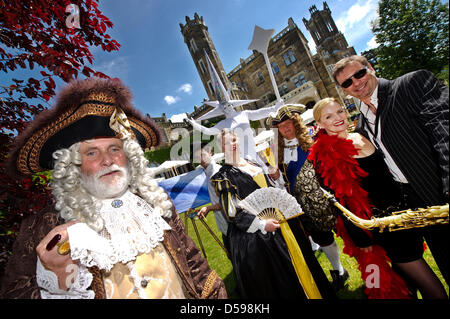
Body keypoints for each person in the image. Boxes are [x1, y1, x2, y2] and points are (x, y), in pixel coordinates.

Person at [1, 78, 227, 299]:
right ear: (71, 165)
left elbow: (198, 270)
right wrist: (58, 282)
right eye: (91, 152)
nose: (108, 160)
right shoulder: (43, 227)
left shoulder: (155, 204)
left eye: (114, 149)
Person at [309, 97, 447, 299]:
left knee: (408, 286)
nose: (337, 118)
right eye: (328, 116)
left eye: (339, 111)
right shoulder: (325, 154)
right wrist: (363, 241)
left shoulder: (363, 135)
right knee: (431, 289)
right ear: (319, 124)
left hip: (405, 218)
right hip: (381, 229)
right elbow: (342, 203)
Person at [332, 55, 449, 287]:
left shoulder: (411, 84)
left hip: (442, 193)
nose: (356, 83)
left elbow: (444, 132)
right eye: (347, 83)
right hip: (418, 210)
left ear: (371, 68)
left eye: (359, 74)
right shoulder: (362, 125)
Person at [210, 129, 334, 299]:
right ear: (221, 148)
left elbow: (271, 189)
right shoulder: (223, 176)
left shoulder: (252, 162)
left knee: (302, 261)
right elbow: (232, 212)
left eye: (234, 140)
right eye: (226, 143)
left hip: (281, 220)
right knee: (282, 276)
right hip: (259, 234)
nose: (232, 145)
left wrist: (275, 177)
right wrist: (261, 225)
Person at [268, 104, 348, 291]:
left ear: (296, 123)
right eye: (281, 126)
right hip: (304, 206)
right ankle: (339, 269)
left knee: (352, 234)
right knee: (323, 239)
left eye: (288, 123)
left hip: (330, 197)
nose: (285, 128)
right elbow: (283, 184)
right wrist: (277, 177)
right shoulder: (278, 152)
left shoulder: (314, 139)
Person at [194, 142, 230, 253]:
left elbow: (226, 201)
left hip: (232, 221)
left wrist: (208, 208)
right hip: (224, 223)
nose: (201, 158)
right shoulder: (205, 172)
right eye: (197, 156)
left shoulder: (217, 172)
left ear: (210, 152)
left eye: (203, 154)